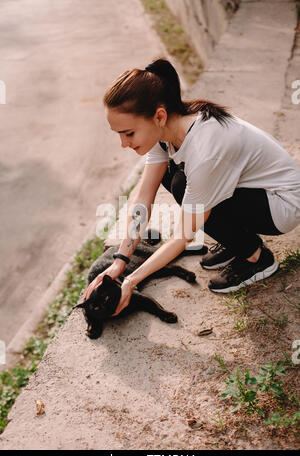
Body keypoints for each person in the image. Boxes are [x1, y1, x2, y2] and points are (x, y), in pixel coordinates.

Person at [85, 57, 300, 314]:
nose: (124, 143)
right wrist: (120, 261)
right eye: (118, 134)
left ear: (159, 116)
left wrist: (130, 281)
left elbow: (184, 234)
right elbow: (143, 198)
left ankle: (256, 258)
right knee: (175, 179)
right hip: (253, 193)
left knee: (183, 186)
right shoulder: (166, 131)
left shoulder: (205, 150)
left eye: (129, 133)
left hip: (281, 205)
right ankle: (238, 241)